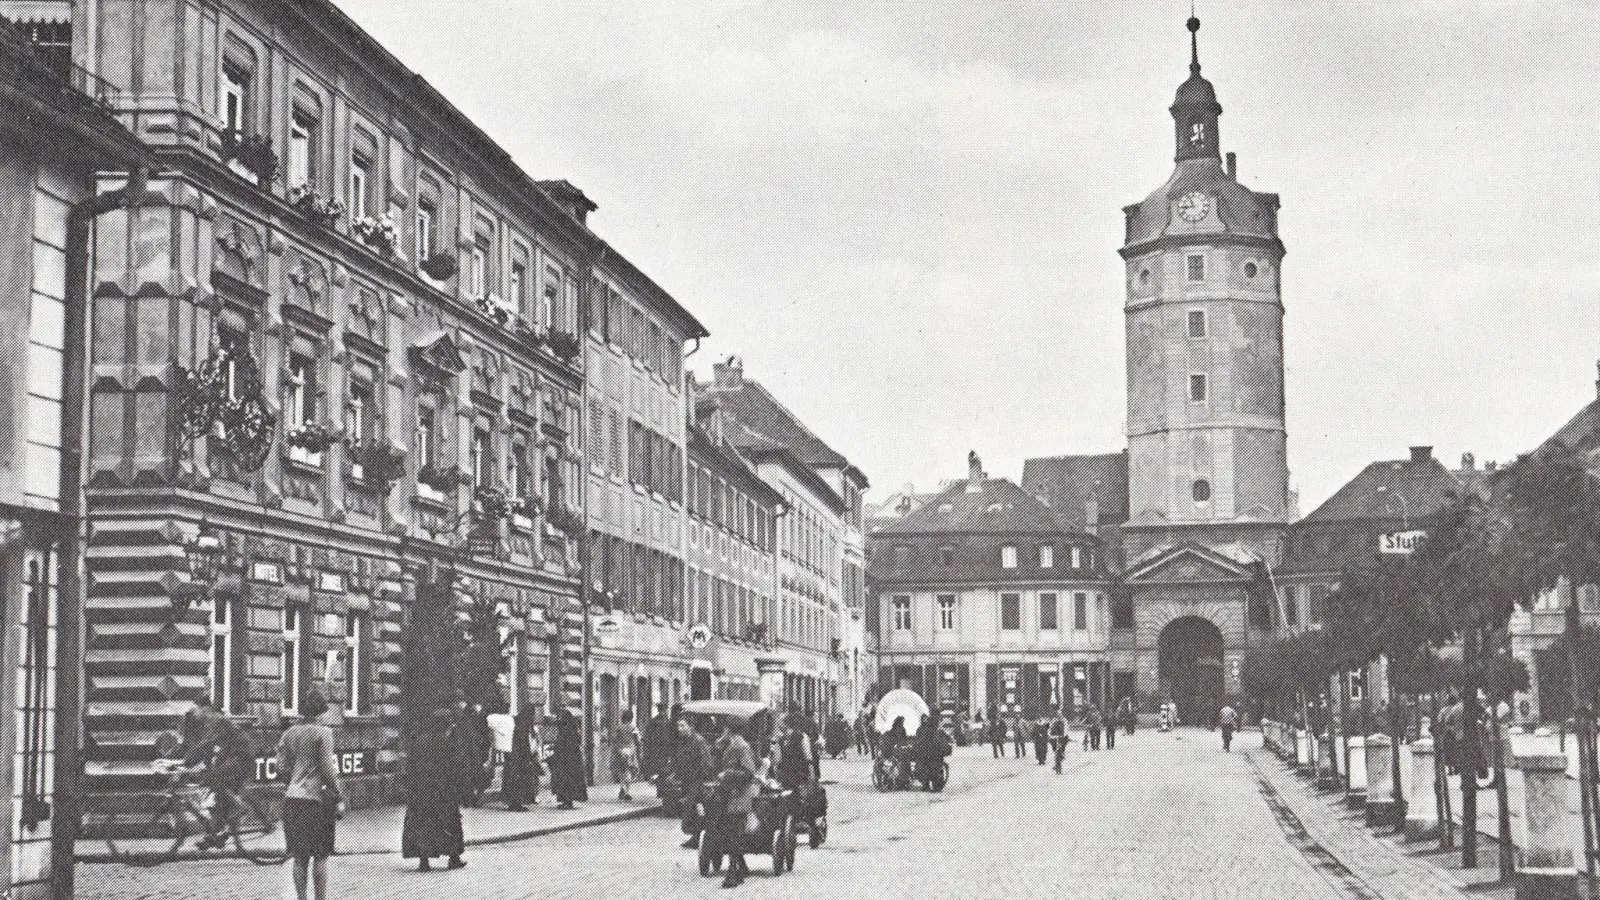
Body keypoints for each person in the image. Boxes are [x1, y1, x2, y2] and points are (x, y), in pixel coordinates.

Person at [277, 692, 343, 900]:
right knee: (321, 856)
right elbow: (327, 769)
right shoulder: (323, 733)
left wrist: (292, 782)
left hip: (292, 800)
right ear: (321, 711)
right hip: (315, 802)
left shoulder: (288, 734)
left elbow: (280, 768)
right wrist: (339, 795)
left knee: (299, 858)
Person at [180, 694, 251, 848]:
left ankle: (241, 807)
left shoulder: (213, 719)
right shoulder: (205, 721)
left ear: (203, 708)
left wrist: (186, 762)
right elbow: (205, 750)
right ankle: (215, 835)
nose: (193, 714)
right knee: (217, 793)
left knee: (214, 778)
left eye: (195, 710)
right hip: (229, 755)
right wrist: (187, 763)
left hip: (241, 754)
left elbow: (206, 744)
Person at [402, 708, 467, 872]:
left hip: (421, 791)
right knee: (449, 822)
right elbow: (456, 767)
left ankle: (424, 862)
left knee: (423, 824)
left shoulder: (419, 741)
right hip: (443, 791)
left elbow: (410, 767)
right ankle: (453, 858)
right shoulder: (447, 743)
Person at [713, 717, 759, 889]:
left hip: (740, 796)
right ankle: (739, 869)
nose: (723, 733)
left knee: (734, 833)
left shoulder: (742, 747)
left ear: (729, 730)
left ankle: (733, 872)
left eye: (724, 730)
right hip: (731, 795)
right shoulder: (731, 745)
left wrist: (727, 774)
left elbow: (749, 772)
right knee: (730, 832)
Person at [674, 717, 716, 849]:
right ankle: (697, 837)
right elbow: (680, 760)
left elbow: (707, 763)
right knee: (693, 811)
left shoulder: (698, 741)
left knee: (691, 812)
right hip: (687, 782)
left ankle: (700, 837)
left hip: (697, 782)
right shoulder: (683, 742)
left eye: (682, 725)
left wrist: (701, 782)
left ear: (690, 727)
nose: (679, 729)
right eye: (678, 726)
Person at [549, 709, 587, 809]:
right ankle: (567, 801)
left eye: (561, 718)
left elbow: (562, 744)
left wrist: (554, 748)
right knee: (571, 781)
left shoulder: (565, 729)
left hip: (565, 761)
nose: (559, 720)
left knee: (564, 781)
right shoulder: (573, 728)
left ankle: (567, 802)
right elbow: (576, 742)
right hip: (574, 760)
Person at [500, 712, 539, 811]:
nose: (533, 718)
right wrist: (528, 757)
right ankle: (516, 804)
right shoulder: (523, 727)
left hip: (513, 760)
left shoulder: (516, 724)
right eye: (532, 715)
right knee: (519, 782)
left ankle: (514, 803)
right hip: (518, 761)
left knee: (514, 781)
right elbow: (524, 745)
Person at [611, 709, 642, 801]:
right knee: (629, 771)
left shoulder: (619, 728)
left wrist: (616, 750)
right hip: (630, 751)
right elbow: (638, 740)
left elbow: (614, 740)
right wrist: (639, 750)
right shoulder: (634, 728)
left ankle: (622, 787)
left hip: (620, 751)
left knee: (621, 770)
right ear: (631, 718)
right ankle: (627, 792)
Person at [643, 703, 672, 784]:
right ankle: (660, 785)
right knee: (661, 767)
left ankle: (660, 785)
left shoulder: (654, 721)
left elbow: (647, 736)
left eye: (663, 710)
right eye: (661, 710)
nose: (663, 712)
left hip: (660, 748)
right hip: (660, 748)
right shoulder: (666, 721)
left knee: (661, 767)